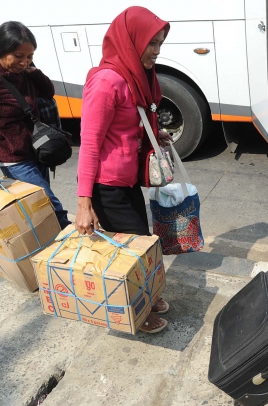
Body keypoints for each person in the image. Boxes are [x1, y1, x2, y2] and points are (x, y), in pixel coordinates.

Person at [74, 7, 173, 334]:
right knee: (130, 254)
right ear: (131, 42)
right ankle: (137, 311)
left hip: (129, 179)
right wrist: (84, 205)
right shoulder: (106, 82)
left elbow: (134, 123)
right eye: (152, 44)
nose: (157, 51)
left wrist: (156, 134)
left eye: (160, 43)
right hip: (106, 186)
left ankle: (149, 292)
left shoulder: (138, 76)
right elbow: (89, 144)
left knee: (143, 244)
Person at [0, 21, 71, 229]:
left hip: (38, 151)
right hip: (14, 159)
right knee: (50, 206)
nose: (24, 62)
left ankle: (44, 249)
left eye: (29, 57)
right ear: (2, 51)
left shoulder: (24, 73)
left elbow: (47, 92)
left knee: (38, 210)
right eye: (19, 56)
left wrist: (34, 71)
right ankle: (71, 246)